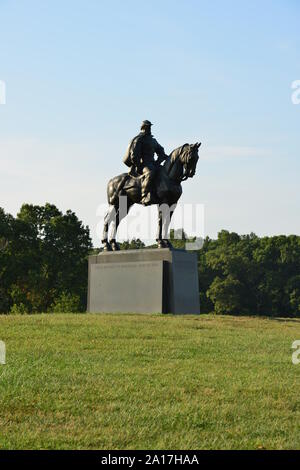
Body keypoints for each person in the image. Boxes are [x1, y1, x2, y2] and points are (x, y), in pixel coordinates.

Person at [123, 120, 168, 205]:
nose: (149, 128)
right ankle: (144, 196)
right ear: (143, 128)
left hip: (152, 163)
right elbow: (134, 154)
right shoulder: (139, 139)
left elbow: (160, 150)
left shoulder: (152, 140)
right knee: (150, 173)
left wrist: (160, 160)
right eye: (147, 127)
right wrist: (138, 166)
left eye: (150, 127)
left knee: (164, 172)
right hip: (143, 164)